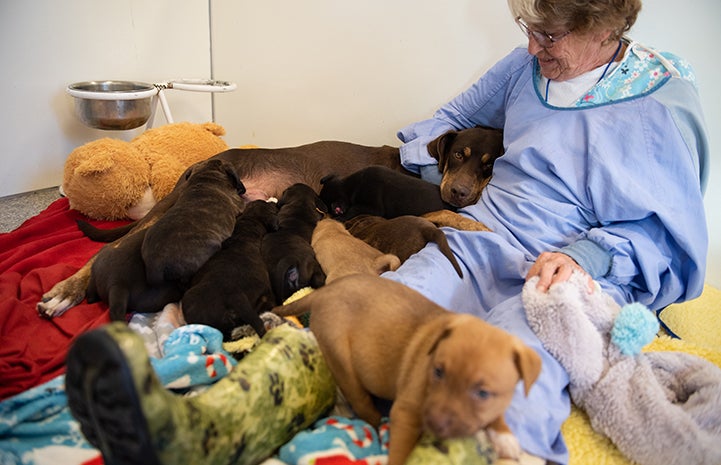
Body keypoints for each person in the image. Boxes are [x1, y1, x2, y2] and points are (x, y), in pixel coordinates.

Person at [383, 0, 708, 462]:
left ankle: (494, 453)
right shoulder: (524, 66)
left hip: (569, 272)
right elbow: (448, 122)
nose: (533, 46)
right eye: (527, 28)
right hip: (480, 237)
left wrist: (584, 258)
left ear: (605, 28)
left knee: (507, 364)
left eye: (550, 35)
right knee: (388, 308)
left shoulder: (657, 99)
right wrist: (449, 183)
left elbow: (664, 235)